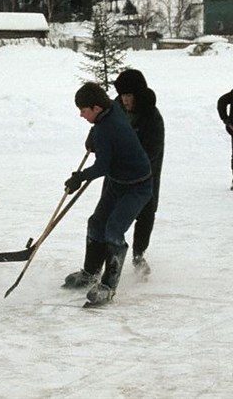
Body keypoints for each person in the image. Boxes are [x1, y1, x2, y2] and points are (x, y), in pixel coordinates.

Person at [62, 82, 152, 305]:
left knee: (113, 229)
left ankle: (108, 286)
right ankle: (90, 273)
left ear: (96, 108)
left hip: (137, 186)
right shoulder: (111, 108)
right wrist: (93, 133)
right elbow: (110, 109)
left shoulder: (107, 129)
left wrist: (78, 178)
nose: (81, 115)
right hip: (118, 182)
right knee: (96, 223)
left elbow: (102, 167)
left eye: (84, 111)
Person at [113, 69, 164, 280]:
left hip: (146, 174)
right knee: (112, 213)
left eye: (129, 95)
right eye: (123, 95)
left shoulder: (152, 117)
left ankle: (138, 254)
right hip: (117, 174)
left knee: (145, 213)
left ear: (138, 94)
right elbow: (102, 127)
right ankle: (107, 256)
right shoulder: (115, 109)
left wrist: (130, 165)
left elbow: (152, 151)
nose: (125, 100)